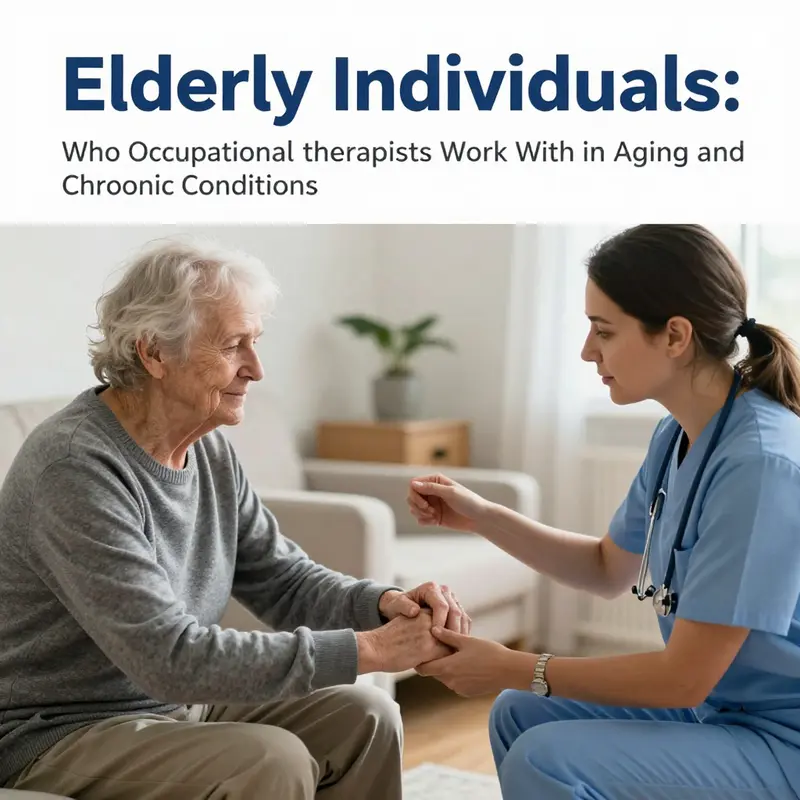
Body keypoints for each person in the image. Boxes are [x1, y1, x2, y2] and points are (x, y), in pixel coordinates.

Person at [0, 237, 470, 800]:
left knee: (367, 716)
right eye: (233, 346)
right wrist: (374, 649)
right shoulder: (75, 469)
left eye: (256, 342)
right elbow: (168, 658)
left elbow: (281, 578)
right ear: (154, 352)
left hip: (170, 703)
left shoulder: (207, 449)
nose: (256, 369)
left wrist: (382, 604)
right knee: (267, 761)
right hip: (58, 728)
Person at [408, 224, 800, 799]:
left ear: (675, 336)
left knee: (548, 759)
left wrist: (514, 664)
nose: (588, 351)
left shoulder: (761, 466)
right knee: (520, 714)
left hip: (783, 738)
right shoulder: (679, 435)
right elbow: (604, 567)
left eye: (604, 331)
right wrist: (482, 516)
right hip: (724, 710)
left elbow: (685, 679)